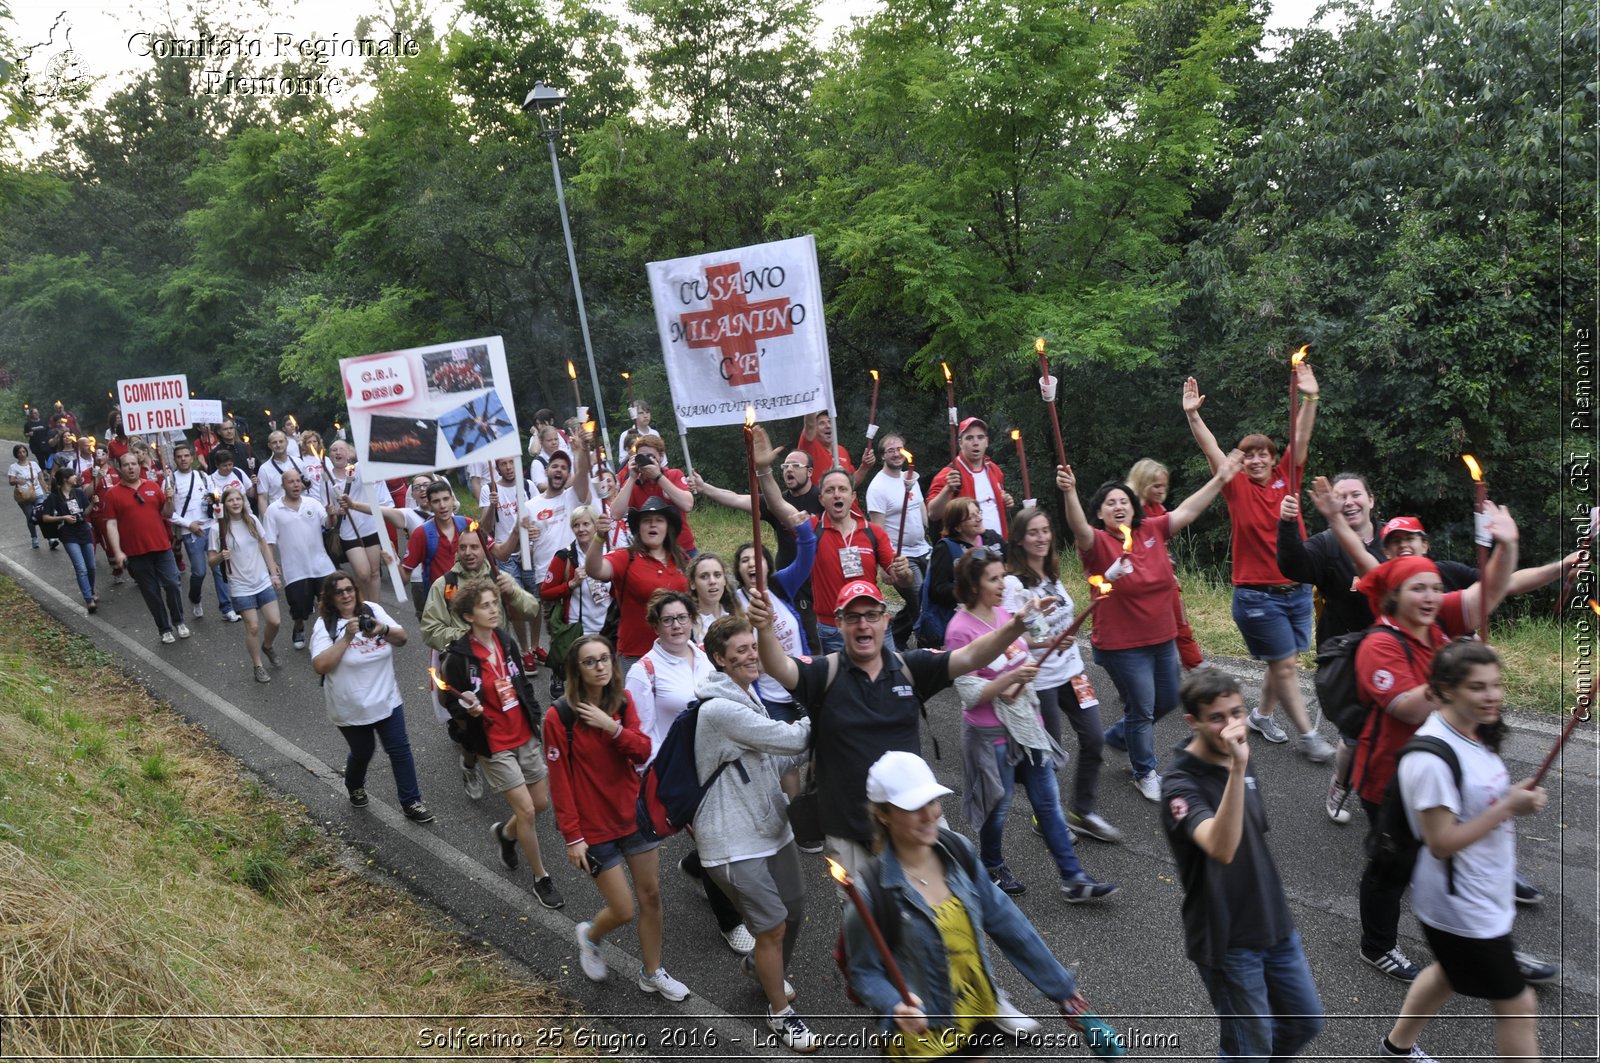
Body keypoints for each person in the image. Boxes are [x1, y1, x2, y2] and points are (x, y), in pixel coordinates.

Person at [750, 578, 1048, 879]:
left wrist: (1016, 626)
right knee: (867, 921)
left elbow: (971, 655)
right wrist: (764, 629)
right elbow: (778, 666)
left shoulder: (911, 668)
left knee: (934, 910)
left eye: (871, 615)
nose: (862, 624)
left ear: (886, 620)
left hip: (914, 821)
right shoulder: (822, 673)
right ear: (839, 624)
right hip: (850, 831)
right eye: (852, 617)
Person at [1348, 515, 1521, 983]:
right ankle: (1377, 945)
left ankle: (1491, 941)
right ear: (1394, 597)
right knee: (1392, 867)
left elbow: (1487, 595)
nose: (1430, 597)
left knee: (1462, 856)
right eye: (1417, 589)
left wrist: (1506, 547)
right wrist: (1457, 673)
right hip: (1390, 778)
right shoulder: (1379, 644)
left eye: (1434, 588)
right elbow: (1406, 708)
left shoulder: (1437, 621)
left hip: (1448, 768)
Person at [843, 750, 1090, 1059]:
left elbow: (1009, 923)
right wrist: (895, 1005)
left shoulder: (957, 850)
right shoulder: (870, 894)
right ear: (883, 815)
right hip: (925, 1039)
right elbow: (864, 973)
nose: (929, 815)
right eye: (913, 807)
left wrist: (1063, 989)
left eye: (931, 802)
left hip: (977, 1013)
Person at [1378, 642, 1547, 1062]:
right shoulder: (1431, 759)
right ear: (1446, 690)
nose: (1492, 696)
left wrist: (1506, 798)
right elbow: (1441, 843)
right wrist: (1508, 806)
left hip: (1481, 891)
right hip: (1462, 906)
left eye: (1496, 685)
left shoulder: (1474, 732)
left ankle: (1396, 1049)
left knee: (1448, 974)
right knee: (1519, 1006)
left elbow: (1475, 801)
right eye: (1478, 687)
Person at [1056, 454, 1244, 801]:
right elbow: (1078, 528)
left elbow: (1189, 510)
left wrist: (1220, 479)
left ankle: (1118, 735)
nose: (1118, 506)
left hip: (1162, 639)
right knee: (1142, 708)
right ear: (1100, 512)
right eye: (1109, 503)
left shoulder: (1151, 530)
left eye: (1123, 501)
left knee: (1170, 698)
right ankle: (1144, 770)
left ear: (1133, 506)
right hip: (1121, 646)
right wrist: (1070, 493)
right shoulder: (1097, 543)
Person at [1161, 669, 1324, 1062]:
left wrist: (1237, 766)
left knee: (1305, 1021)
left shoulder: (1237, 756)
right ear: (1193, 722)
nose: (1232, 725)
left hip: (1273, 922)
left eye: (1237, 713)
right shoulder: (1179, 785)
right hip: (1227, 940)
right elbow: (1221, 847)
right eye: (1216, 717)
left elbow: (1254, 834)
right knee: (1248, 1049)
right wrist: (1236, 769)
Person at [944, 547, 1118, 901]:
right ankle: (991, 865)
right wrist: (1005, 683)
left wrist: (1051, 639)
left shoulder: (1005, 612)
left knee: (1049, 802)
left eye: (1002, 574)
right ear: (973, 584)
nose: (1001, 583)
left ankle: (1073, 878)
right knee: (1000, 802)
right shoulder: (958, 629)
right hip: (990, 733)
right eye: (993, 578)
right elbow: (968, 691)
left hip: (1028, 725)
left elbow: (1023, 642)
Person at [1184, 370, 1330, 757]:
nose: (1256, 459)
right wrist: (1193, 416)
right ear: (1242, 462)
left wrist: (1310, 399)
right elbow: (1212, 449)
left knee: (1281, 661)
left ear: (1272, 457)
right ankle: (1309, 737)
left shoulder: (1288, 477)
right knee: (1284, 666)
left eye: (1263, 452)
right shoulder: (1235, 485)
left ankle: (1261, 717)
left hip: (1297, 591)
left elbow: (1301, 438)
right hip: (1257, 597)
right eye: (1248, 454)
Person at [692, 616, 819, 1052]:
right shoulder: (719, 709)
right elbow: (787, 740)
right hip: (731, 839)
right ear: (719, 660)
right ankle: (780, 1013)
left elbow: (774, 761)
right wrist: (826, 708)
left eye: (753, 646)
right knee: (772, 927)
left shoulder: (749, 697)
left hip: (769, 825)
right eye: (741, 650)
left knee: (795, 910)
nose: (751, 654)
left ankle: (758, 965)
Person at [543, 633, 691, 1002]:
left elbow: (643, 752)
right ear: (576, 670)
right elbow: (559, 783)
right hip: (594, 830)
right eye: (590, 661)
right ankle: (590, 936)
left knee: (652, 895)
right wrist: (572, 837)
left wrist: (613, 728)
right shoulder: (558, 717)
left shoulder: (621, 703)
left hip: (633, 817)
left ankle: (652, 971)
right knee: (623, 909)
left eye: (605, 658)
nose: (600, 666)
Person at [626, 589, 755, 953]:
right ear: (655, 625)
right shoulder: (643, 672)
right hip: (681, 775)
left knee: (721, 836)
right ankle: (730, 923)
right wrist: (655, 778)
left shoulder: (702, 655)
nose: (676, 626)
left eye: (682, 617)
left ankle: (696, 866)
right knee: (718, 841)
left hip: (718, 763)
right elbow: (641, 732)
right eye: (667, 620)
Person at [439, 578, 565, 911]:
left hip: (523, 733)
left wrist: (535, 718)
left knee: (540, 804)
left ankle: (506, 834)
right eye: (485, 605)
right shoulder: (458, 657)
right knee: (525, 809)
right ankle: (540, 878)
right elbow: (447, 699)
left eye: (495, 603)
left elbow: (521, 685)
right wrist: (467, 708)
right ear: (468, 616)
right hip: (493, 743)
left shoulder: (506, 642)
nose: (494, 609)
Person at [1002, 505, 1120, 843]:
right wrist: (1049, 640)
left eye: (1045, 531)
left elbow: (1066, 615)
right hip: (1040, 680)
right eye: (1033, 532)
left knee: (1095, 739)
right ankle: (1046, 816)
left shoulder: (1052, 574)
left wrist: (1111, 575)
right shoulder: (1014, 584)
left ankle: (1082, 811)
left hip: (1073, 672)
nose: (1041, 538)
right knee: (1048, 757)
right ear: (1020, 540)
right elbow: (1013, 635)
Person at [309, 573, 433, 823]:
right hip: (351, 707)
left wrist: (382, 629)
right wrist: (346, 638)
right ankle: (354, 784)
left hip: (387, 699)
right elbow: (321, 665)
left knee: (400, 750)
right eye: (339, 592)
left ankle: (411, 802)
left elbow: (403, 638)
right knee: (363, 751)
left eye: (349, 589)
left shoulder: (372, 610)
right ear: (331, 599)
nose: (346, 595)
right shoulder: (325, 625)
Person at [419, 523, 530, 801]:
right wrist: (468, 639)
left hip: (499, 665)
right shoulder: (444, 585)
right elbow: (430, 629)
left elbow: (520, 612)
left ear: (484, 550)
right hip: (462, 670)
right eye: (464, 547)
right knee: (468, 727)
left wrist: (514, 594)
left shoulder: (498, 578)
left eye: (475, 547)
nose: (469, 552)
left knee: (508, 713)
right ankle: (470, 765)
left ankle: (512, 766)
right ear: (458, 550)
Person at [811, 467, 913, 654]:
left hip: (874, 623)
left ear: (852, 496)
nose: (836, 495)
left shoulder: (873, 532)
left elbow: (903, 581)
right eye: (829, 490)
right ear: (821, 499)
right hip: (833, 629)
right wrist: (763, 471)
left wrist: (904, 572)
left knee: (890, 679)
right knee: (843, 684)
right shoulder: (812, 530)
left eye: (842, 489)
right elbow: (778, 506)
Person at [585, 496, 691, 672]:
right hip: (637, 655)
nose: (652, 525)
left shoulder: (681, 559)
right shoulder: (625, 557)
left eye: (659, 520)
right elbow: (594, 570)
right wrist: (599, 537)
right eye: (646, 521)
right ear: (639, 528)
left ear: (668, 527)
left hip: (677, 652)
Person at [102, 451, 188, 645]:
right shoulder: (113, 493)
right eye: (126, 465)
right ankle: (164, 628)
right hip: (135, 552)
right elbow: (111, 525)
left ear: (139, 466)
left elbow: (167, 513)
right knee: (151, 592)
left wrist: (169, 500)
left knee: (173, 584)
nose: (131, 467)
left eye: (134, 464)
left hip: (161, 547)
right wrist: (118, 551)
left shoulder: (152, 486)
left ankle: (179, 620)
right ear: (120, 468)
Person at [1126, 458, 1204, 670]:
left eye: (1164, 486)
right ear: (1142, 484)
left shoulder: (1157, 508)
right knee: (1146, 634)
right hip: (1142, 585)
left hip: (1166, 580)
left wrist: (1168, 566)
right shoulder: (1129, 514)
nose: (1162, 490)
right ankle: (1137, 679)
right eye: (1156, 486)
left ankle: (1196, 667)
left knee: (1181, 623)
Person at [208, 485, 282, 682]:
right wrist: (220, 558)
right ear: (224, 504)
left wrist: (273, 572)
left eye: (238, 499)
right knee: (253, 627)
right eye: (231, 500)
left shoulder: (253, 521)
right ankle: (257, 665)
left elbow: (264, 546)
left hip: (262, 580)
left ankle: (267, 646)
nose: (235, 503)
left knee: (275, 621)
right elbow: (211, 560)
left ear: (243, 502)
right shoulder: (217, 529)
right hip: (239, 585)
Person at [540, 505, 613, 700]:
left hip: (607, 623)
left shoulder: (611, 552)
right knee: (582, 677)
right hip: (578, 626)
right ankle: (560, 676)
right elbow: (545, 592)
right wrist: (571, 584)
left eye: (586, 524)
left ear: (595, 525)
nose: (581, 529)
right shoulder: (565, 557)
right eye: (576, 525)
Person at [867, 434, 930, 648]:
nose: (896, 453)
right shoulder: (877, 487)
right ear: (883, 455)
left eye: (899, 449)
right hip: (901, 558)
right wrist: (883, 566)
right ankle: (927, 648)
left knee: (930, 595)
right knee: (920, 600)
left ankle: (896, 635)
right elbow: (877, 530)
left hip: (924, 550)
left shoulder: (911, 478)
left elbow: (923, 513)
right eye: (890, 450)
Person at [263, 468, 335, 651]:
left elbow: (329, 524)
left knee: (328, 602)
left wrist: (332, 514)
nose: (296, 485)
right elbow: (268, 543)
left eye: (298, 481)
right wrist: (273, 571)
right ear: (283, 485)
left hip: (322, 565)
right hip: (295, 570)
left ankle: (329, 633)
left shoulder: (313, 503)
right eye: (291, 481)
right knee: (299, 609)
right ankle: (299, 626)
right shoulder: (273, 510)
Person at [167, 442, 239, 623]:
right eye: (179, 456)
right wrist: (188, 524)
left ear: (192, 457)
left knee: (219, 569)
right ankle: (195, 598)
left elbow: (215, 498)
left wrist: (214, 502)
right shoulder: (170, 481)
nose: (183, 459)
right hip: (191, 531)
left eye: (186, 455)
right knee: (199, 572)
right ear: (175, 459)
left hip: (211, 527)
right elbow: (167, 513)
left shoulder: (203, 476)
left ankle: (227, 607)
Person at [922, 496, 1000, 648]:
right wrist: (971, 590)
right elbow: (937, 590)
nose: (979, 518)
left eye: (979, 513)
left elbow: (1012, 567)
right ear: (957, 526)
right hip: (961, 620)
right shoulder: (945, 548)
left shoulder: (992, 538)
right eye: (972, 516)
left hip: (993, 614)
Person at [608, 432, 696, 554]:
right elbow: (615, 514)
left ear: (660, 457)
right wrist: (632, 478)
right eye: (641, 457)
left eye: (650, 456)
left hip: (682, 548)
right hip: (652, 552)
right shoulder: (634, 484)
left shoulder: (673, 475)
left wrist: (658, 477)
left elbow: (687, 505)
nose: (645, 460)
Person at [927, 417, 1013, 537]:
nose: (976, 442)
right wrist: (947, 489)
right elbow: (933, 514)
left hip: (999, 547)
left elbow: (994, 505)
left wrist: (1004, 502)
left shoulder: (994, 470)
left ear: (987, 442)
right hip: (966, 551)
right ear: (960, 443)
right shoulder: (949, 474)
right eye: (969, 438)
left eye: (980, 437)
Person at [324, 440, 386, 603]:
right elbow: (328, 509)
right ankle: (361, 606)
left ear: (349, 453)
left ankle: (375, 610)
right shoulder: (327, 479)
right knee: (363, 574)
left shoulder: (358, 469)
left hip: (370, 527)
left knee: (374, 573)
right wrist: (336, 511)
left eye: (341, 449)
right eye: (333, 450)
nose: (337, 452)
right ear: (330, 455)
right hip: (348, 531)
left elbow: (371, 456)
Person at [38, 467, 97, 612]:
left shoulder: (78, 493)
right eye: (72, 475)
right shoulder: (54, 497)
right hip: (68, 534)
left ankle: (91, 590)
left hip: (84, 531)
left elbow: (84, 512)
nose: (76, 477)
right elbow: (45, 517)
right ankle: (88, 599)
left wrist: (92, 504)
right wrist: (63, 518)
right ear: (65, 479)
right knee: (81, 568)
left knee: (91, 566)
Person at [796, 410, 871, 487]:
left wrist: (864, 466)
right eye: (822, 423)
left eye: (830, 422)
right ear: (815, 429)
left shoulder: (841, 450)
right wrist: (811, 401)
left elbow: (852, 483)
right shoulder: (809, 446)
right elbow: (810, 424)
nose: (828, 426)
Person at [687, 552, 743, 643]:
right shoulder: (688, 625)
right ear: (692, 583)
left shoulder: (738, 615)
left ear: (724, 580)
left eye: (717, 575)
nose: (712, 581)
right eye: (704, 576)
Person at [254, 430, 306, 517]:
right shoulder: (264, 469)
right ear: (269, 446)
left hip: (300, 511)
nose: (278, 445)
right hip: (279, 514)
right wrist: (266, 521)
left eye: (281, 441)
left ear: (287, 442)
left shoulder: (299, 462)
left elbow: (306, 486)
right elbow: (263, 498)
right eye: (274, 442)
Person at [8, 443, 44, 548]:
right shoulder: (13, 467)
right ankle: (34, 537)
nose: (22, 454)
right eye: (19, 452)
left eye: (23, 451)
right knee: (30, 517)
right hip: (23, 496)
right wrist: (17, 480)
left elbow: (41, 478)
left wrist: (46, 489)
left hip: (38, 493)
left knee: (42, 515)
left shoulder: (33, 464)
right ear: (16, 454)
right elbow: (11, 481)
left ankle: (50, 538)